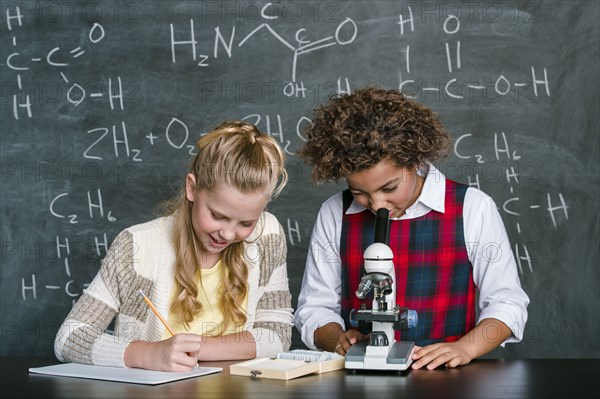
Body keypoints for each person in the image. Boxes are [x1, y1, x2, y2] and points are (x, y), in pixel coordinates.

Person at [294, 87, 529, 370]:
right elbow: (315, 308)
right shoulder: (335, 212)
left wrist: (466, 348)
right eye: (359, 192)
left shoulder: (473, 208)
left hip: (446, 379)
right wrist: (337, 340)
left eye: (389, 187)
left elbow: (507, 302)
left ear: (415, 160)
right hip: (360, 374)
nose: (377, 204)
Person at [55, 121, 293, 371]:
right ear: (192, 188)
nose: (227, 233)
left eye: (246, 222)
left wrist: (193, 347)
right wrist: (148, 355)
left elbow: (277, 335)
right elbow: (69, 337)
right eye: (218, 216)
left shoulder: (266, 233)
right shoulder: (137, 246)